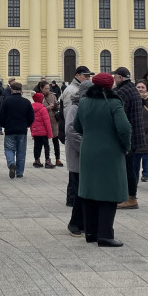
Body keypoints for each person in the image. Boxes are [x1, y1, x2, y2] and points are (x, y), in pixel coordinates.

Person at [73, 73, 132, 246]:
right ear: (110, 86)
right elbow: (124, 128)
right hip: (110, 152)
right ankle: (105, 235)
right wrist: (126, 146)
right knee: (109, 192)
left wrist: (90, 135)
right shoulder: (113, 102)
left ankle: (91, 233)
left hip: (88, 151)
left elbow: (77, 126)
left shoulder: (84, 102)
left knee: (90, 191)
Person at [112, 67, 145, 210]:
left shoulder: (123, 91)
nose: (114, 79)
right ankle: (129, 196)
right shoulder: (132, 88)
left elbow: (120, 115)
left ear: (120, 77)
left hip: (128, 136)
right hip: (135, 135)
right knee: (130, 167)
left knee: (127, 168)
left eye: (115, 77)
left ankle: (130, 198)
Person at [64, 74, 92, 236]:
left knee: (85, 192)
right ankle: (74, 223)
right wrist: (86, 147)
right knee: (79, 192)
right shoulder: (75, 107)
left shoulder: (87, 107)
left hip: (87, 155)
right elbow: (71, 131)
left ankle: (83, 222)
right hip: (78, 155)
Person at [0, 80, 34, 179]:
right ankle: (19, 172)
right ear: (21, 90)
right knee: (21, 151)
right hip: (22, 130)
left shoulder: (6, 101)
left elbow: (1, 115)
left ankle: (11, 163)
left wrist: (3, 125)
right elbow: (31, 117)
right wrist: (27, 125)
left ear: (11, 90)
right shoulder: (26, 102)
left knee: (9, 149)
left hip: (10, 129)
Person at [30, 91, 56, 169]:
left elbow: (31, 122)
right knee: (46, 146)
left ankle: (37, 160)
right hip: (43, 132)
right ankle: (47, 160)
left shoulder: (31, 108)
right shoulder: (43, 109)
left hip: (35, 131)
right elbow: (47, 122)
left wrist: (32, 132)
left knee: (36, 146)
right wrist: (50, 134)